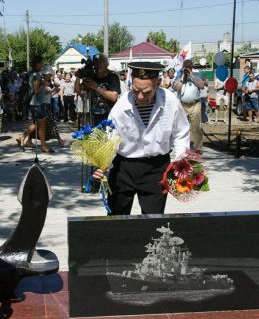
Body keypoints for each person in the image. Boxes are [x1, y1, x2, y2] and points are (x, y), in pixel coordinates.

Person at [93, 62, 190, 215]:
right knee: (116, 219)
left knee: (153, 221)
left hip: (156, 169)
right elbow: (110, 141)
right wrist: (102, 165)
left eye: (146, 92)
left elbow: (181, 133)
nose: (139, 96)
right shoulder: (121, 107)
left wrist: (181, 162)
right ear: (131, 81)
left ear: (158, 84)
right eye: (136, 90)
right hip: (123, 169)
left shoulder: (170, 102)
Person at [74, 54, 120, 126]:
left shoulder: (112, 77)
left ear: (106, 64)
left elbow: (114, 97)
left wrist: (96, 87)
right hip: (94, 118)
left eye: (100, 62)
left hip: (109, 116)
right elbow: (78, 91)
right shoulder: (92, 77)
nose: (98, 65)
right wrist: (78, 77)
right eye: (96, 63)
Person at [174, 59, 204, 151]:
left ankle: (198, 148)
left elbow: (201, 86)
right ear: (183, 68)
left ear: (192, 68)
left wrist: (192, 76)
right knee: (182, 128)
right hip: (183, 105)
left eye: (189, 68)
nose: (187, 69)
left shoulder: (197, 74)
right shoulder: (179, 74)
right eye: (185, 68)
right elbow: (176, 88)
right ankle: (183, 147)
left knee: (196, 128)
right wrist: (183, 77)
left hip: (195, 104)